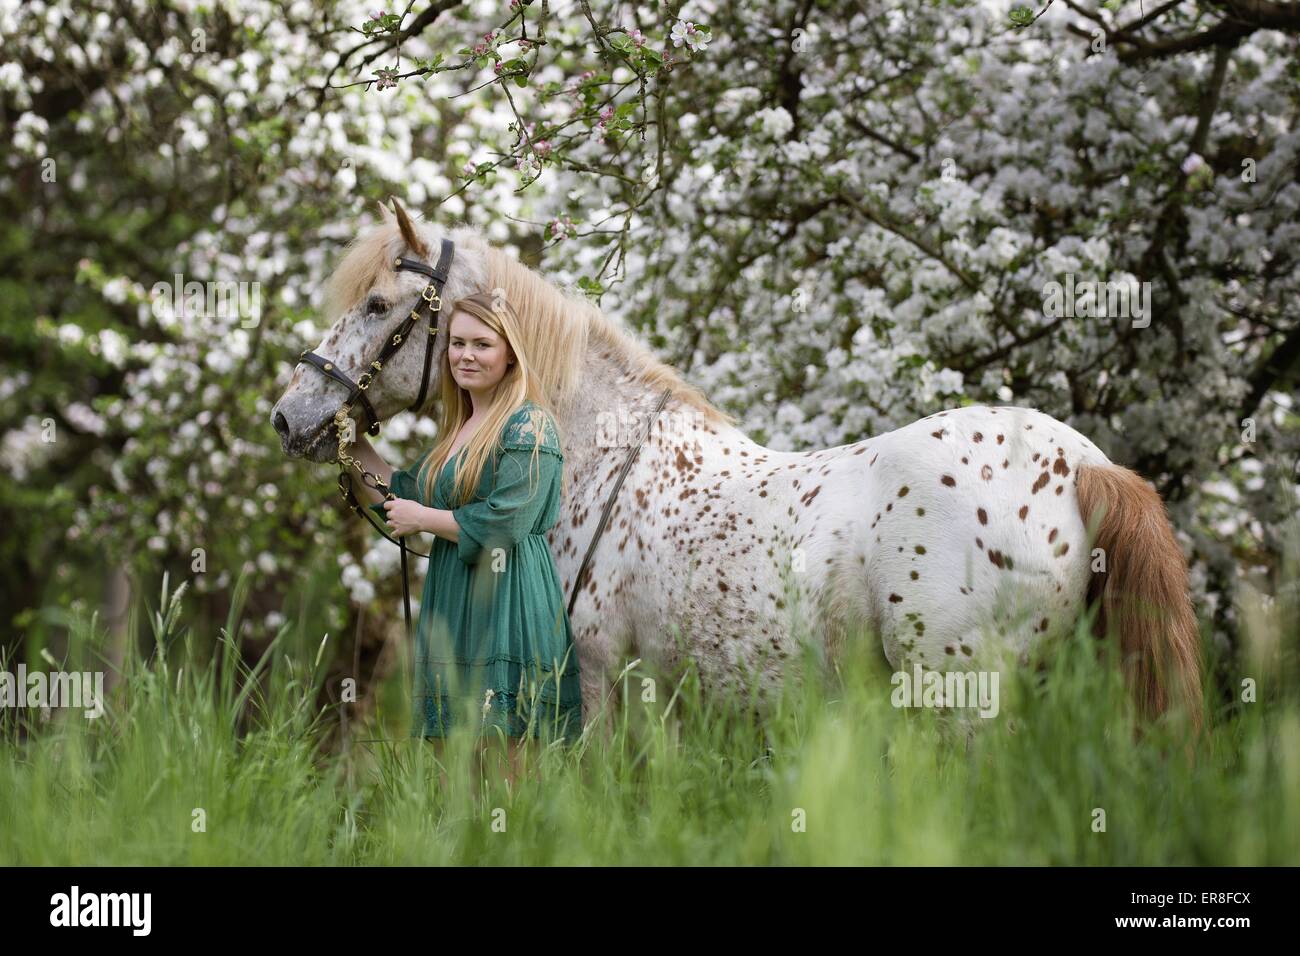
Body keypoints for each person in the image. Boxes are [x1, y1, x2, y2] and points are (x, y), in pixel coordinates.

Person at [350, 291, 582, 786]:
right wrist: (349, 443)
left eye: (482, 344)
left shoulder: (530, 423)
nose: (466, 355)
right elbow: (403, 493)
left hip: (508, 599)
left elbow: (506, 523)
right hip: (455, 596)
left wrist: (425, 519)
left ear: (510, 354)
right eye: (457, 343)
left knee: (506, 760)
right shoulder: (460, 428)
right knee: (453, 767)